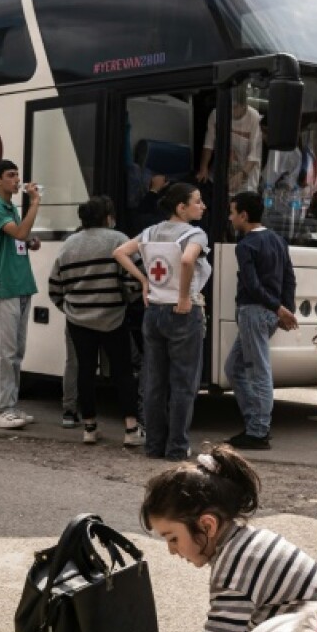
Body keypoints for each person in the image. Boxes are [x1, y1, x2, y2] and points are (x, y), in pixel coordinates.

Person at [141, 443, 317, 632]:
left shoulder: (233, 569)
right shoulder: (247, 543)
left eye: (173, 539)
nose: (171, 550)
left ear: (208, 525)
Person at [113, 183, 210, 461]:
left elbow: (119, 252)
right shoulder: (196, 234)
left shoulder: (151, 231)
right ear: (182, 208)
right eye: (197, 201)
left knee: (155, 382)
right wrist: (183, 298)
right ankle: (177, 448)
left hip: (153, 311)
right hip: (182, 313)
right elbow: (189, 260)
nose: (202, 206)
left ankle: (154, 445)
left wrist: (144, 280)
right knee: (183, 384)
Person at [48, 196, 143, 447]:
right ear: (107, 217)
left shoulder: (68, 245)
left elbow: (55, 287)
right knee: (123, 372)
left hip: (78, 321)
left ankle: (89, 427)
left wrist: (70, 308)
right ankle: (131, 429)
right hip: (113, 318)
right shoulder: (118, 240)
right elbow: (134, 279)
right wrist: (124, 299)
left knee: (85, 372)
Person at [225, 190, 298, 450]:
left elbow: (252, 285)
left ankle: (257, 431)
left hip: (253, 311)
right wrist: (283, 308)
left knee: (258, 372)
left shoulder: (245, 246)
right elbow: (289, 278)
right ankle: (254, 423)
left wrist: (279, 309)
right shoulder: (278, 240)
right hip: (269, 313)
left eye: (233, 213)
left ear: (244, 215)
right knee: (234, 367)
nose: (231, 218)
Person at [0, 159, 41, 430]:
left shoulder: (11, 208)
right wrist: (35, 203)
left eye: (18, 174)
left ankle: (11, 406)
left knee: (16, 351)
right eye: (11, 175)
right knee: (3, 352)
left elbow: (20, 238)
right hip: (5, 286)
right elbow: (18, 233)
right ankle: (1, 408)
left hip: (21, 285)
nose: (17, 180)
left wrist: (30, 241)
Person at [197, 85, 263, 195]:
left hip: (245, 176)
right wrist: (203, 167)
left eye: (235, 107)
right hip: (221, 173)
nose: (231, 110)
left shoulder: (254, 117)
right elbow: (208, 145)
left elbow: (254, 154)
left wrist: (242, 174)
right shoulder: (216, 114)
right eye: (229, 106)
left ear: (244, 105)